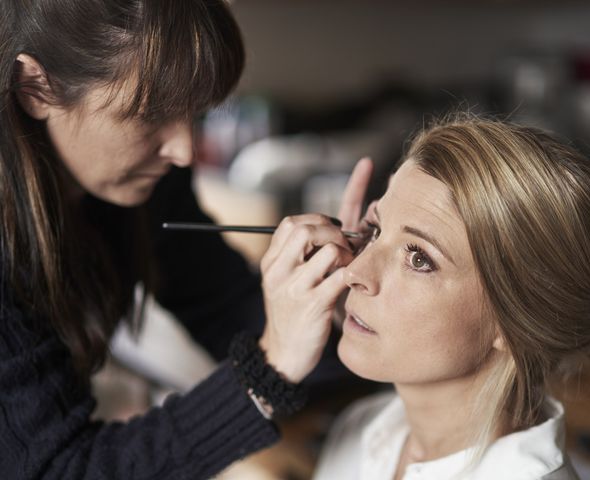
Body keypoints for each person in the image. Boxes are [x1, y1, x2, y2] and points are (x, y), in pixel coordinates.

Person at [0, 1, 372, 479]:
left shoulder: (146, 183)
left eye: (192, 113)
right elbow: (62, 469)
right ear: (34, 86)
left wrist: (336, 311)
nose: (182, 151)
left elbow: (221, 303)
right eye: (150, 115)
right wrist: (267, 371)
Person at [310, 115, 590, 480]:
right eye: (376, 229)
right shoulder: (361, 429)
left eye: (419, 258)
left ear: (512, 321)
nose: (354, 272)